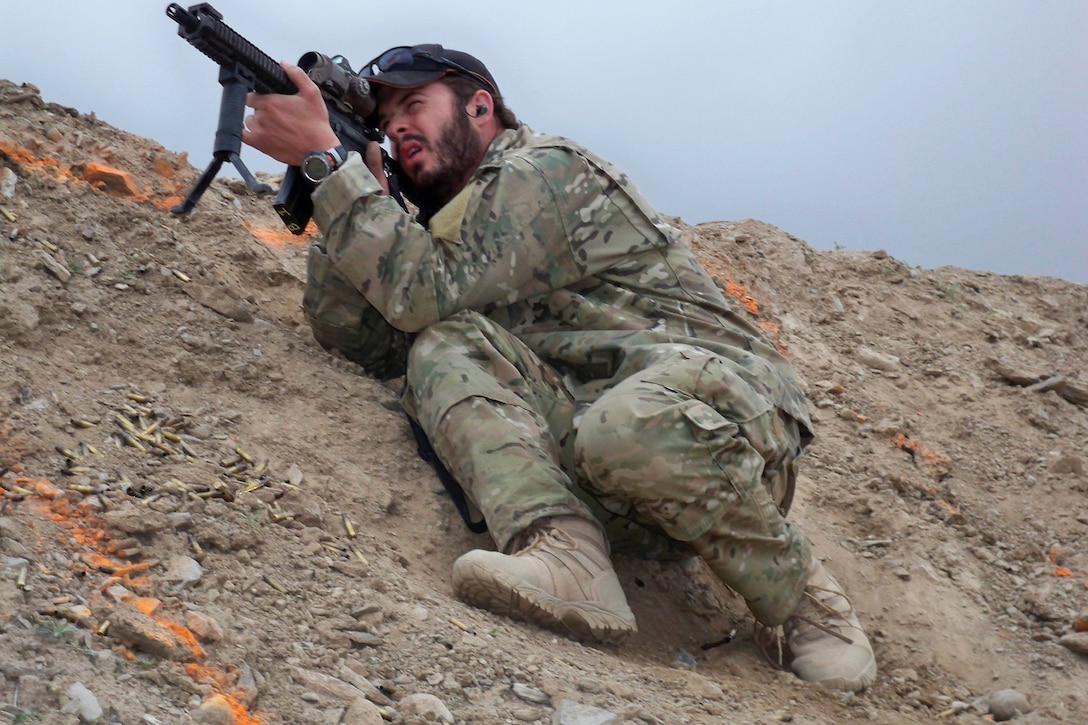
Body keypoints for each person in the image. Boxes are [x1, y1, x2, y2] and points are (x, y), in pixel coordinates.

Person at [242, 44, 877, 691]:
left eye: (414, 103)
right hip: (615, 478)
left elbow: (420, 288)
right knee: (445, 344)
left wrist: (327, 162)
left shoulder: (542, 170)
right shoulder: (439, 232)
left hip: (727, 425)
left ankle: (808, 603)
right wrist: (355, 189)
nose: (398, 124)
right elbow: (360, 339)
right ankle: (567, 554)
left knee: (626, 424)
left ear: (480, 105)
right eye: (385, 117)